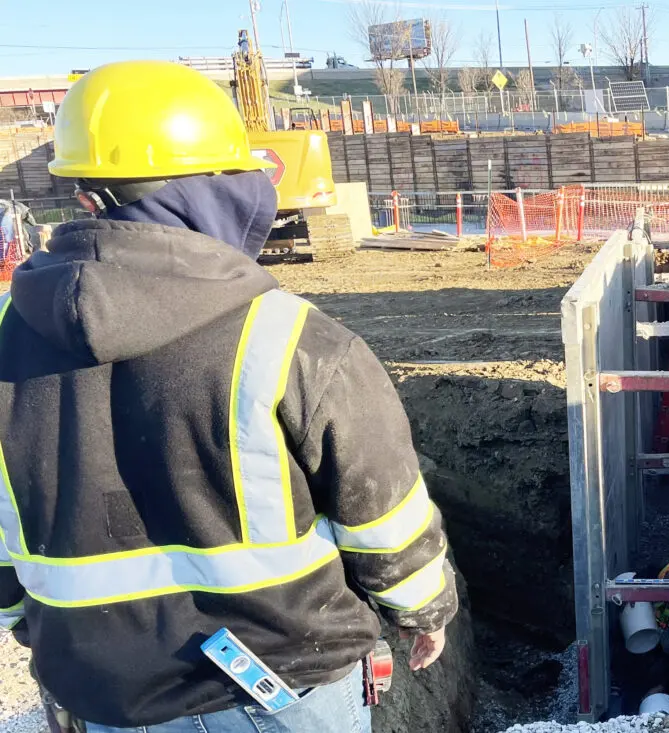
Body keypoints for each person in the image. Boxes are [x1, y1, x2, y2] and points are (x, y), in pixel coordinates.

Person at [0, 60, 457, 733]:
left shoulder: (9, 335)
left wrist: (28, 618)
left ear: (89, 196)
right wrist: (423, 610)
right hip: (283, 691)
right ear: (220, 189)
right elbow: (380, 507)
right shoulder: (292, 338)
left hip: (108, 697)